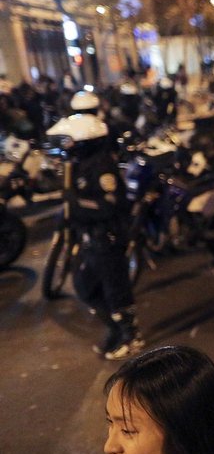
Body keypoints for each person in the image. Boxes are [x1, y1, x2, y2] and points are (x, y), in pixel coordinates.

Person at [46, 113, 143, 360]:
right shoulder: (81, 164)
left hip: (107, 239)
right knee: (84, 286)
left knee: (116, 292)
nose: (68, 146)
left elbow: (110, 205)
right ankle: (114, 329)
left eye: (71, 141)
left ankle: (130, 337)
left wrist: (75, 204)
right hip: (90, 240)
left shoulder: (102, 167)